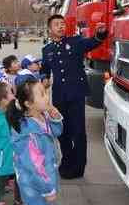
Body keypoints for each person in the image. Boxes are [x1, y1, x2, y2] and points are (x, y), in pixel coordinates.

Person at [41, 14, 107, 179]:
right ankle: (67, 161)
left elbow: (93, 42)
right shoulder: (47, 50)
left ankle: (78, 167)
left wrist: (100, 34)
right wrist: (44, 78)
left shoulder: (75, 42)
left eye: (62, 24)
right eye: (57, 24)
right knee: (63, 132)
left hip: (76, 94)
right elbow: (45, 69)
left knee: (78, 132)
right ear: (50, 30)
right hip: (59, 95)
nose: (61, 27)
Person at [6, 77, 63, 205]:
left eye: (45, 92)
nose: (47, 96)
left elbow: (56, 132)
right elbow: (34, 166)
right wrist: (47, 189)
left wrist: (55, 116)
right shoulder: (28, 133)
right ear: (28, 104)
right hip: (35, 183)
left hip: (30, 183)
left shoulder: (41, 116)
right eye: (42, 94)